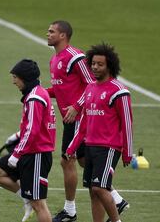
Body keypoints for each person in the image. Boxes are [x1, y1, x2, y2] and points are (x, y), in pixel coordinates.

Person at [46, 20, 128, 222]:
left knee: (67, 160)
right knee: (83, 161)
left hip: (80, 117)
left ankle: (70, 210)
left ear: (63, 35)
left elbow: (93, 84)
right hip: (69, 119)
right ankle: (116, 199)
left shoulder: (75, 58)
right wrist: (38, 92)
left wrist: (77, 106)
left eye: (51, 31)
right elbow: (60, 89)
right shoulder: (54, 60)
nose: (47, 34)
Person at [65, 43, 133, 222]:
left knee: (100, 188)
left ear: (109, 66)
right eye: (93, 63)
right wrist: (72, 147)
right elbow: (84, 123)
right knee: (93, 192)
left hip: (109, 147)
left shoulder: (119, 91)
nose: (95, 67)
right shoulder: (89, 89)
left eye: (99, 64)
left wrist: (127, 152)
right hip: (90, 146)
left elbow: (127, 123)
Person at [0, 59, 56, 222]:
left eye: (15, 77)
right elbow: (34, 126)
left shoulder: (35, 98)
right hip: (29, 151)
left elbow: (33, 130)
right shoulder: (36, 93)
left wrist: (16, 154)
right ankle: (26, 199)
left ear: (25, 77)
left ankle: (31, 201)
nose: (13, 81)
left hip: (37, 155)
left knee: (39, 204)